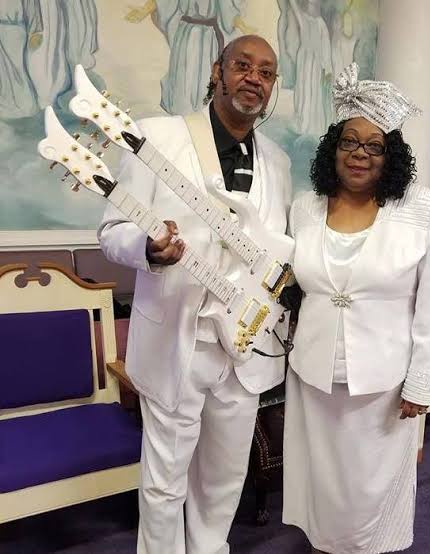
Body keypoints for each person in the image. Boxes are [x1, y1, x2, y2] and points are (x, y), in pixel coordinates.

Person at [99, 34, 292, 554]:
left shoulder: (278, 162)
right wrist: (149, 248)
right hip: (178, 340)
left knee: (224, 478)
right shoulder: (156, 137)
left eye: (266, 72)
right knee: (165, 481)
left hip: (245, 346)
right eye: (243, 65)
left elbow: (272, 250)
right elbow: (112, 231)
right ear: (217, 71)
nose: (254, 78)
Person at [282, 62, 430, 553]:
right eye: (349, 142)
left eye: (374, 146)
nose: (360, 154)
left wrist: (422, 381)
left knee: (371, 488)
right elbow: (290, 284)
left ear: (390, 154)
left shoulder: (422, 207)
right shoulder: (305, 207)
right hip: (313, 374)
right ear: (333, 148)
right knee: (323, 483)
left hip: (385, 381)